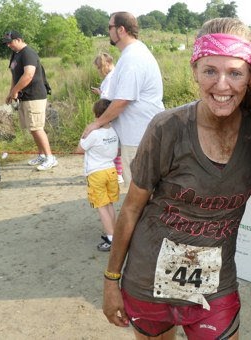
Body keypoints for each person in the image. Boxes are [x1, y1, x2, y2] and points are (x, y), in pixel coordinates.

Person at [102, 18, 251, 339]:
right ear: (194, 71)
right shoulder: (167, 128)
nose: (222, 85)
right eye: (210, 71)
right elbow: (131, 209)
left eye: (235, 73)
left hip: (215, 285)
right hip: (147, 278)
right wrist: (111, 281)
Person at [82, 12, 164, 186]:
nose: (108, 31)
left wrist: (96, 124)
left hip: (138, 136)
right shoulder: (133, 53)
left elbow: (122, 100)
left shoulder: (132, 58)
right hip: (141, 133)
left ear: (121, 30)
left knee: (139, 190)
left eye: (109, 27)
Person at [3, 30, 57, 171]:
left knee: (37, 127)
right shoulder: (15, 54)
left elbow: (29, 75)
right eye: (7, 43)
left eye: (10, 42)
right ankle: (42, 155)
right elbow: (15, 76)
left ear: (19, 39)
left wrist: (15, 91)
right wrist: (11, 92)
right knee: (32, 128)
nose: (8, 45)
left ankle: (50, 157)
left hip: (35, 95)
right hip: (25, 96)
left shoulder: (28, 53)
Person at [76, 98, 120, 252]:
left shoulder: (94, 134)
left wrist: (86, 131)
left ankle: (111, 238)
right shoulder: (114, 132)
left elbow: (79, 150)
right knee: (109, 204)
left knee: (101, 206)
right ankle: (114, 232)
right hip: (111, 170)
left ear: (97, 115)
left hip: (96, 173)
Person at [92, 52, 124, 184]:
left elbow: (109, 98)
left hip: (111, 115)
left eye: (100, 67)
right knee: (114, 145)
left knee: (114, 147)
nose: (99, 70)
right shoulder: (112, 76)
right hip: (112, 115)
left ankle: (118, 173)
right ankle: (117, 172)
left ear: (108, 63)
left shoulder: (112, 77)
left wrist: (100, 93)